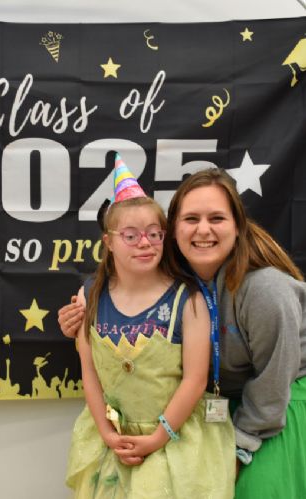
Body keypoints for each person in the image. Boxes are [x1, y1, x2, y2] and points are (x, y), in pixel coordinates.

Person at [61, 167, 306, 498]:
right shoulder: (171, 277)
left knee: (252, 490)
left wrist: (238, 449)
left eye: (216, 218)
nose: (203, 230)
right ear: (173, 230)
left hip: (276, 406)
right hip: (212, 408)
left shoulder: (266, 290)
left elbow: (273, 382)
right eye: (191, 219)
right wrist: (78, 325)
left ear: (237, 227)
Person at [66, 156, 235, 498]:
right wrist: (107, 433)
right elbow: (90, 372)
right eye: (131, 235)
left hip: (174, 441)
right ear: (109, 241)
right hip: (113, 442)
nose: (145, 243)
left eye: (154, 234)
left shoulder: (188, 300)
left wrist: (158, 437)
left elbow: (194, 379)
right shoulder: (90, 297)